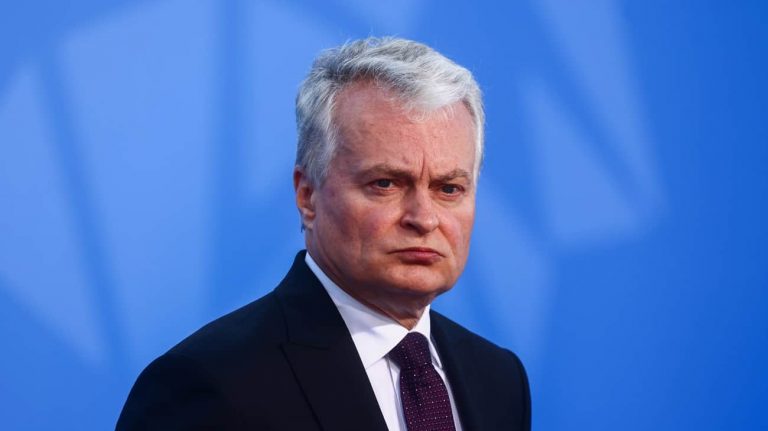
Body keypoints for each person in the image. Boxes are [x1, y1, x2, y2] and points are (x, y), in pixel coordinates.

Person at [117, 37, 530, 431]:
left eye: (449, 189)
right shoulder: (208, 384)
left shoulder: (497, 378)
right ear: (308, 195)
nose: (424, 218)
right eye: (385, 183)